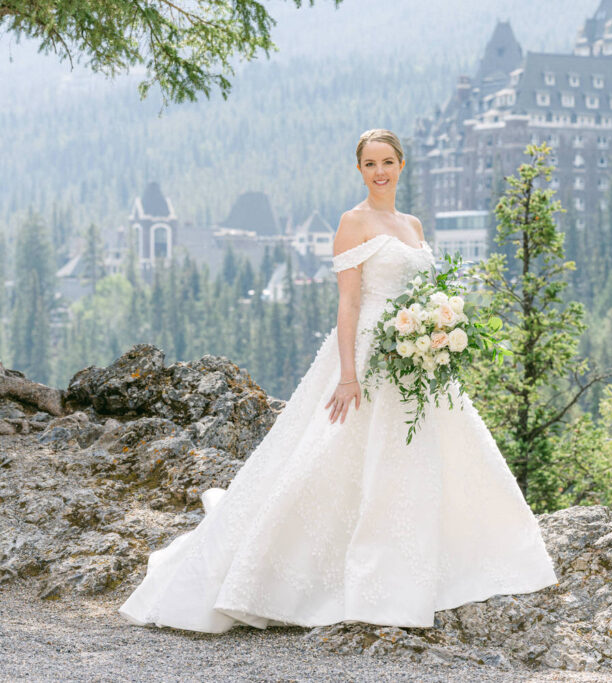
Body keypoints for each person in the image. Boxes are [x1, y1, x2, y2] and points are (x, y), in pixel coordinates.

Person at [117, 129, 559, 633]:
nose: (380, 171)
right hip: (369, 353)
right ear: (360, 170)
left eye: (387, 161)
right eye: (370, 164)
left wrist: (438, 328)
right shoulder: (354, 222)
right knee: (334, 459)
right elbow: (348, 303)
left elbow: (423, 287)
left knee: (429, 459)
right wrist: (349, 376)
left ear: (402, 164)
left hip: (417, 360)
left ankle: (439, 565)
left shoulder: (412, 224)